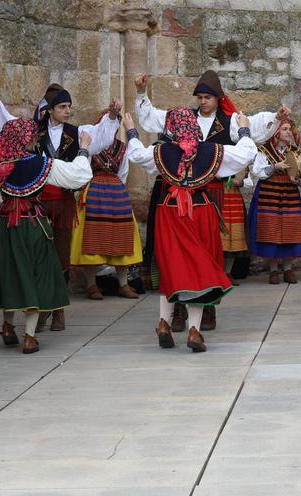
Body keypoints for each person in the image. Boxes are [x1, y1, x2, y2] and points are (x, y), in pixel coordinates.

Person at [135, 71, 285, 331]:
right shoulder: (185, 118)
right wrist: (141, 94)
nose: (203, 101)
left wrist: (276, 118)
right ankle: (180, 311)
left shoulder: (228, 122)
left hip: (212, 193)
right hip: (183, 195)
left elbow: (254, 127)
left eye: (207, 97)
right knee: (182, 253)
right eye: (200, 97)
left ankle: (206, 310)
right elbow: (154, 118)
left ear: (218, 99)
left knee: (207, 250)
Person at [0, 68, 120, 330]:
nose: (67, 111)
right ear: (50, 109)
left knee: (61, 257)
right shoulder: (32, 131)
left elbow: (99, 135)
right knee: (39, 256)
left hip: (63, 205)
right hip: (38, 204)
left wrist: (112, 116)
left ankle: (58, 308)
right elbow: (4, 123)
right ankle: (42, 308)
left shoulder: (76, 133)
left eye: (69, 106)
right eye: (63, 106)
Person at [124, 108, 256, 352]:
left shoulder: (161, 151)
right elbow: (246, 153)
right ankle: (194, 330)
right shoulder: (211, 150)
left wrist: (131, 130)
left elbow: (136, 154)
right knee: (200, 267)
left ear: (172, 127)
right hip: (200, 211)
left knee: (171, 265)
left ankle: (164, 323)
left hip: (169, 211)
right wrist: (245, 128)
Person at [0, 118, 93, 354]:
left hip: (3, 227)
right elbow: (77, 175)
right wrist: (83, 148)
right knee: (36, 276)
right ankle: (29, 337)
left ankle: (7, 326)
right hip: (31, 226)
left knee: (11, 274)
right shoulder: (41, 164)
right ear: (30, 138)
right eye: (34, 135)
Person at [69, 117, 143, 298]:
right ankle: (91, 285)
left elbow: (123, 172)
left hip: (116, 193)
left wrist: (119, 191)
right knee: (93, 237)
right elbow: (82, 167)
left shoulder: (122, 148)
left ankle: (123, 284)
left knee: (121, 237)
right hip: (93, 192)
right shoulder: (90, 145)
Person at [248, 119, 301, 284]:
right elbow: (257, 171)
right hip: (269, 194)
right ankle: (273, 270)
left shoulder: (295, 152)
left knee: (290, 231)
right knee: (270, 230)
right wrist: (274, 167)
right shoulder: (264, 150)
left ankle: (288, 269)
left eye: (290, 129)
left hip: (289, 194)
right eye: (285, 129)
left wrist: (297, 180)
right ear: (276, 131)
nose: (289, 132)